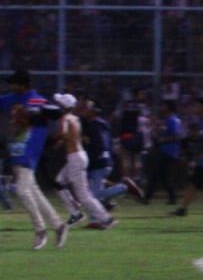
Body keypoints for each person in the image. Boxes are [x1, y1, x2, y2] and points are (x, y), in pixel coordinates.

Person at [3, 72, 68, 249]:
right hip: (17, 148)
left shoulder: (35, 100)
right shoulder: (12, 98)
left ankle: (40, 231)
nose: (11, 86)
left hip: (31, 150)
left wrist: (40, 110)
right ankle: (59, 225)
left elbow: (58, 112)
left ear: (24, 84)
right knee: (33, 191)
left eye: (14, 83)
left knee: (22, 191)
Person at [51, 93, 116, 229]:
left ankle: (106, 218)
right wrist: (61, 141)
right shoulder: (75, 118)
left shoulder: (65, 117)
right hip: (79, 156)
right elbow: (71, 135)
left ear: (63, 106)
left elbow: (62, 132)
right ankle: (75, 213)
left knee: (84, 195)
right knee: (58, 183)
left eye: (60, 103)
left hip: (74, 158)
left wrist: (51, 139)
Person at [79, 99, 143, 210]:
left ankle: (124, 187)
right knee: (93, 190)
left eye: (86, 108)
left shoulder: (97, 125)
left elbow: (102, 145)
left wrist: (94, 158)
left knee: (94, 196)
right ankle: (107, 204)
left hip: (99, 161)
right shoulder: (90, 124)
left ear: (94, 111)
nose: (83, 111)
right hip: (97, 162)